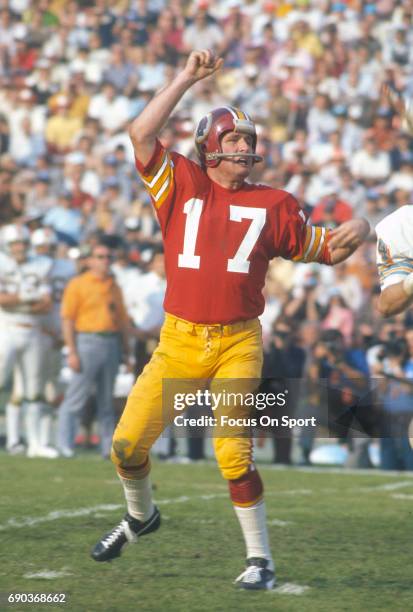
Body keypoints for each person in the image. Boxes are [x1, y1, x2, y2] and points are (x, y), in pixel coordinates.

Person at [91, 50, 369, 590]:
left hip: (238, 342)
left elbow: (325, 249)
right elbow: (141, 132)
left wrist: (356, 227)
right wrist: (185, 78)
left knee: (231, 451)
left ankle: (260, 560)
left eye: (250, 141)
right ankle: (141, 516)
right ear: (209, 146)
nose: (246, 147)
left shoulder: (274, 202)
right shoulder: (180, 182)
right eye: (235, 139)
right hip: (178, 340)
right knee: (126, 447)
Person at [56, 241, 132, 458]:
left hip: (111, 342)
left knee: (107, 400)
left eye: (108, 257)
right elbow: (67, 319)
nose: (105, 261)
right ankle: (65, 444)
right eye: (100, 257)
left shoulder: (113, 286)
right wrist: (71, 351)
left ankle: (107, 449)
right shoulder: (78, 284)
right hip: (87, 341)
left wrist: (126, 353)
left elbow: (123, 321)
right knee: (76, 397)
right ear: (89, 261)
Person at [0, 224, 53, 457]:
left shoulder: (40, 265)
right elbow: (2, 300)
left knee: (33, 387)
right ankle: (13, 440)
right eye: (15, 243)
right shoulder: (3, 264)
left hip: (33, 329)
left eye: (22, 243)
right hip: (7, 327)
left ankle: (34, 443)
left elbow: (46, 303)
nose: (20, 247)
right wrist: (25, 298)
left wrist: (18, 300)